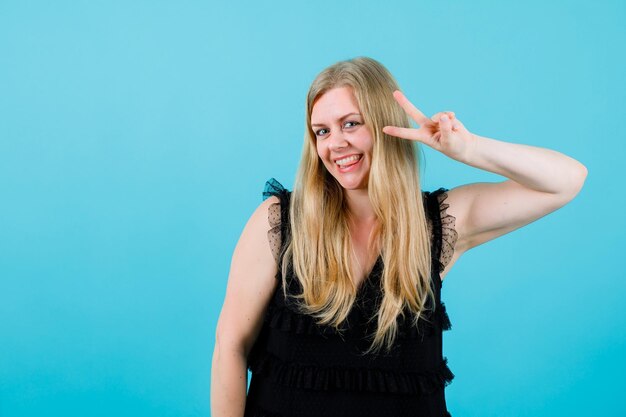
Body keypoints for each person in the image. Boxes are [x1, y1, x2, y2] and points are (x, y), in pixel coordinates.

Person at [210, 56, 587, 417]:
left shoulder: (438, 224)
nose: (334, 144)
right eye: (322, 131)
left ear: (385, 125)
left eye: (351, 124)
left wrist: (468, 149)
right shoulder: (277, 222)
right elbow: (231, 346)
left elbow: (566, 181)